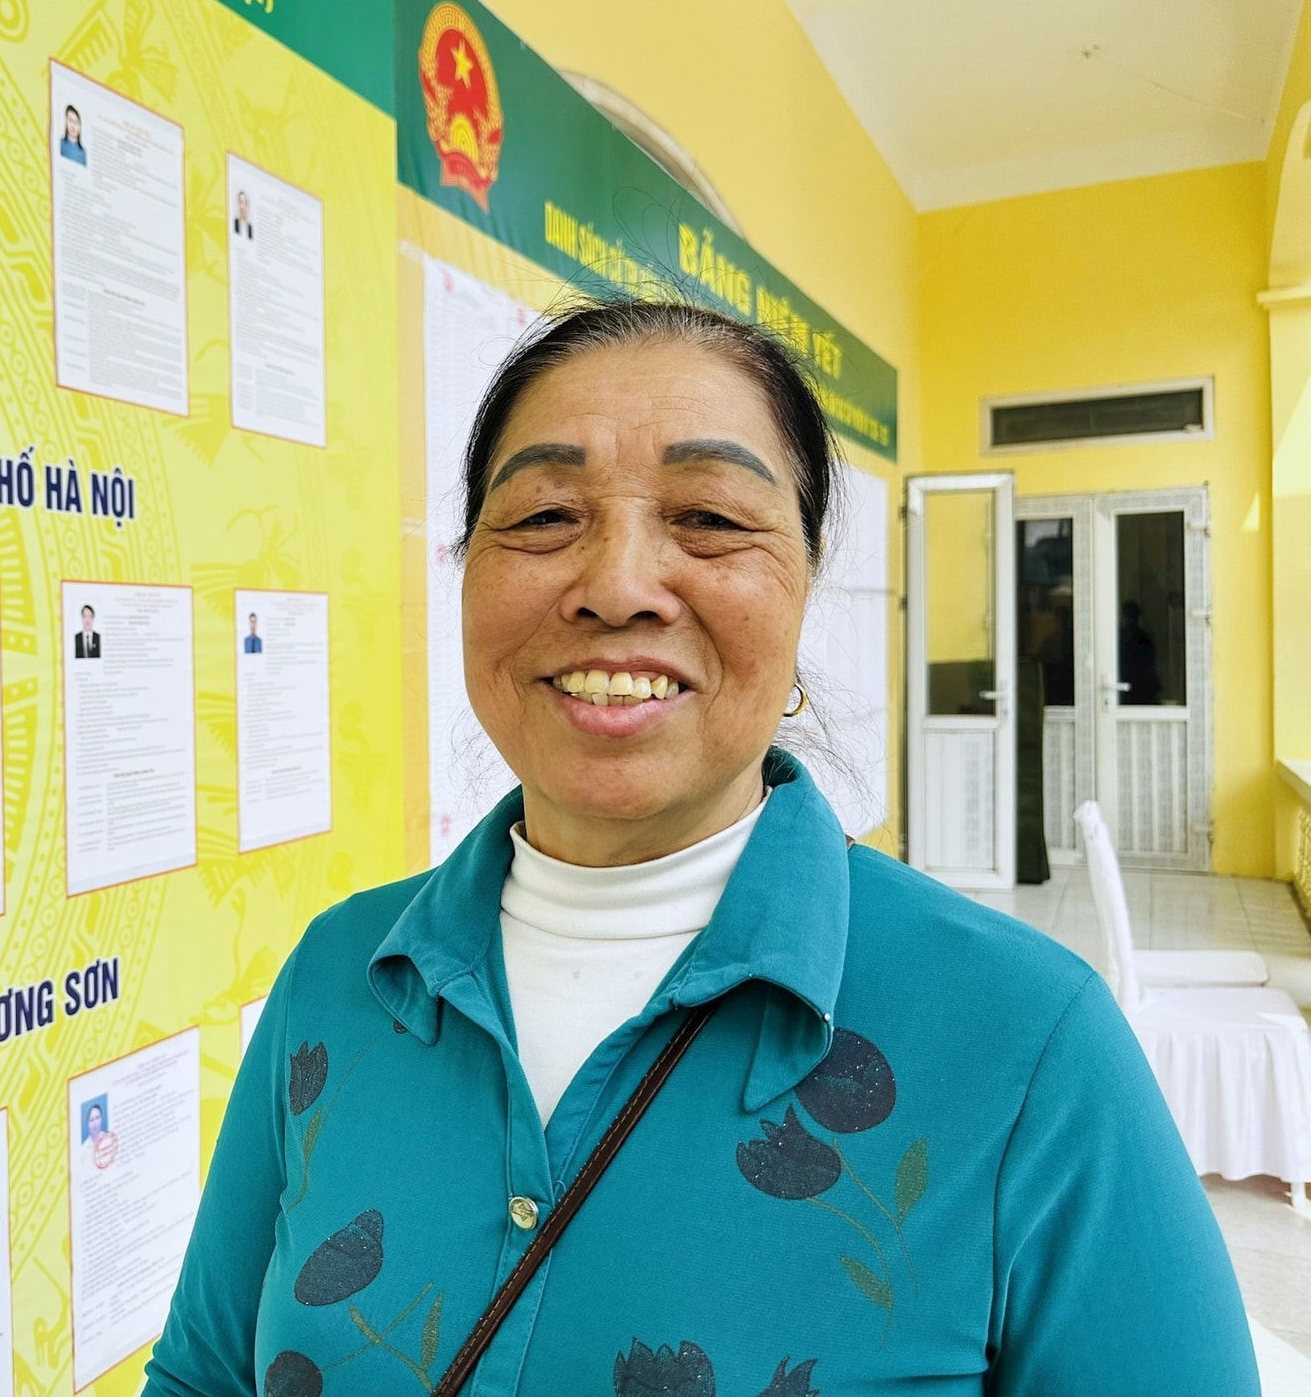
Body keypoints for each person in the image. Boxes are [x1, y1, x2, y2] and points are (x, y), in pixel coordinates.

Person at [145, 300, 1256, 1396]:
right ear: (467, 567)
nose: (618, 586)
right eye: (545, 515)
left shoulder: (1029, 1045)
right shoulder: (339, 976)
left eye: (711, 518)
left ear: (805, 582)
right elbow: (203, 1377)